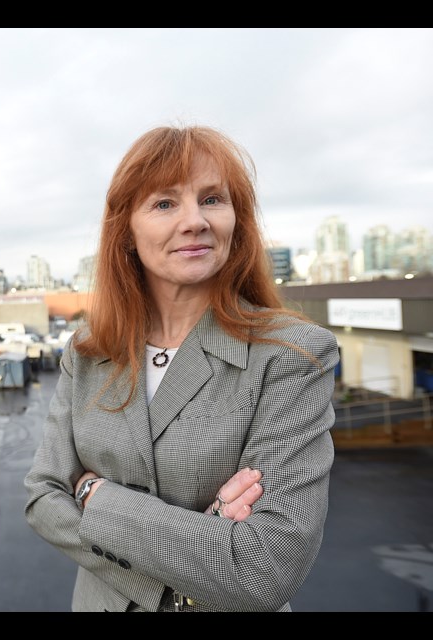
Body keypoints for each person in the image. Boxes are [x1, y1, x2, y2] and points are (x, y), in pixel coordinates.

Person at [24, 125, 338, 612]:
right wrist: (204, 545)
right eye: (165, 204)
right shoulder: (86, 352)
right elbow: (42, 498)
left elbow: (265, 568)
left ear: (238, 219)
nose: (194, 221)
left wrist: (92, 494)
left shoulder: (293, 355)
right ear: (126, 230)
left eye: (212, 199)